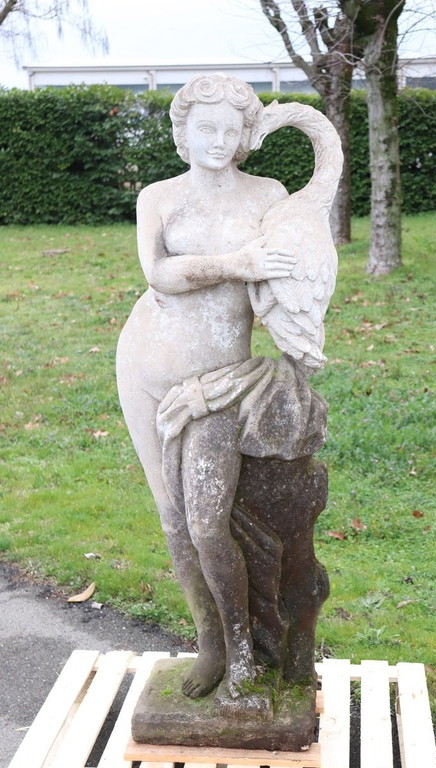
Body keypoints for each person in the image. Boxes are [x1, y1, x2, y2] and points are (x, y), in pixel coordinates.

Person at [116, 73, 296, 702]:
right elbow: (159, 273)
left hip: (220, 378)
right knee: (172, 518)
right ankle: (209, 644)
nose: (219, 141)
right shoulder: (159, 197)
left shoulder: (269, 194)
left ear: (248, 134)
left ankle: (244, 652)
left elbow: (299, 272)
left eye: (231, 129)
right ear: (183, 133)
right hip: (145, 366)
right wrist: (233, 265)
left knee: (207, 523)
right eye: (206, 129)